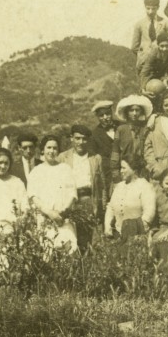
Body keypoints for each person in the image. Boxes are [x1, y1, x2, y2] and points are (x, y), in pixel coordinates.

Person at [58, 124, 107, 252]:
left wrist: (102, 206)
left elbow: (101, 185)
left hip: (89, 200)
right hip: (70, 201)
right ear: (71, 139)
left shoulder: (95, 158)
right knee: (70, 237)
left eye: (84, 139)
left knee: (89, 239)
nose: (81, 142)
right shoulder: (63, 157)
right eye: (77, 138)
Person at [27, 135, 78, 254]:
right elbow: (33, 197)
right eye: (48, 147)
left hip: (63, 219)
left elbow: (72, 194)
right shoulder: (36, 171)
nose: (51, 151)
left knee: (68, 251)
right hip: (45, 219)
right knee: (48, 253)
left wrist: (62, 212)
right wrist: (50, 213)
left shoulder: (65, 169)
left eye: (55, 148)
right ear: (43, 150)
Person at [104, 155, 156, 246]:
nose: (121, 171)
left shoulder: (145, 186)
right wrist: (107, 225)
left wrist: (134, 231)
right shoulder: (119, 186)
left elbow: (149, 214)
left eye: (124, 168)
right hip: (117, 235)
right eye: (121, 168)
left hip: (137, 236)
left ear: (134, 170)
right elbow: (110, 208)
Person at [110, 95, 153, 185]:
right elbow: (115, 153)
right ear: (127, 112)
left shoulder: (144, 128)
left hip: (142, 171)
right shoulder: (121, 129)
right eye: (131, 110)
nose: (134, 113)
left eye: (137, 110)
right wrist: (116, 175)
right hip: (126, 170)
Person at [87, 100, 119, 196]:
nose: (105, 118)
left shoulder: (122, 126)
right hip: (109, 176)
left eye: (107, 114)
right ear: (97, 117)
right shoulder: (94, 135)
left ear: (112, 113)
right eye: (101, 115)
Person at [131, 0, 168, 71]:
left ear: (158, 7)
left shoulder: (165, 23)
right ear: (145, 7)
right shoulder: (139, 24)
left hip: (161, 62)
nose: (150, 11)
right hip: (144, 64)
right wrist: (143, 56)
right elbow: (134, 47)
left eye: (153, 9)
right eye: (148, 8)